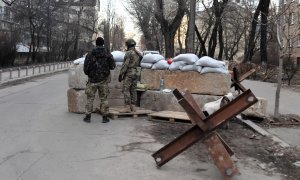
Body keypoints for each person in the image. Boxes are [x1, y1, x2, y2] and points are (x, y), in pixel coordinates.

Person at [83, 37, 116, 123]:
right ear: (103, 44)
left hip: (92, 80)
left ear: (96, 44)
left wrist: (90, 74)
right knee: (104, 99)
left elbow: (85, 69)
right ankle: (104, 117)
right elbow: (113, 66)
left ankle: (88, 117)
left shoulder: (90, 54)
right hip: (103, 80)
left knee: (90, 98)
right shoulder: (107, 54)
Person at [118, 38, 142, 112]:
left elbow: (125, 65)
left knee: (125, 89)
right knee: (133, 89)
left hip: (129, 72)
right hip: (136, 72)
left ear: (128, 45)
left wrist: (120, 74)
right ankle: (133, 106)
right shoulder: (138, 53)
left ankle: (127, 107)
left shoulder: (129, 53)